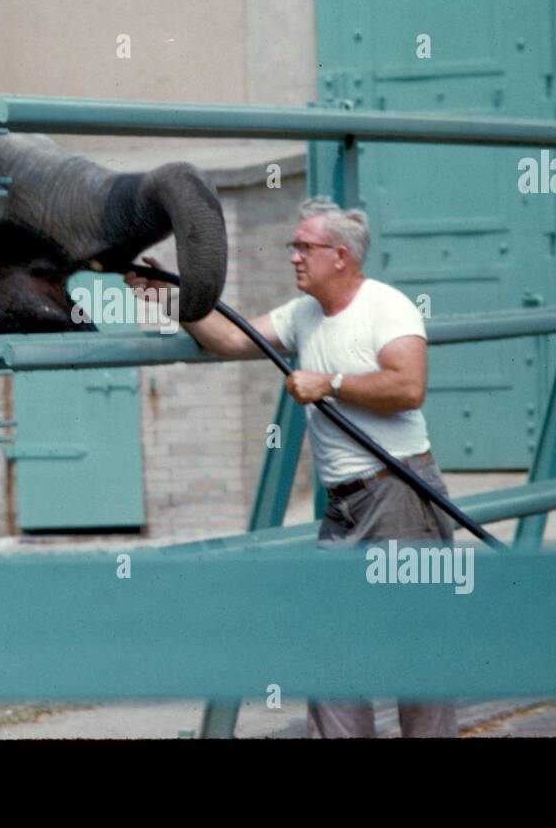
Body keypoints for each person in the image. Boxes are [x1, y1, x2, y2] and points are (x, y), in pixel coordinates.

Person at [125, 197, 458, 738]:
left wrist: (331, 382)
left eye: (305, 246)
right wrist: (169, 295)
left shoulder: (387, 308)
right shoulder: (302, 314)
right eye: (293, 246)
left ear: (342, 256)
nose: (294, 257)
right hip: (344, 506)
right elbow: (233, 339)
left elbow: (408, 386)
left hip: (399, 494)